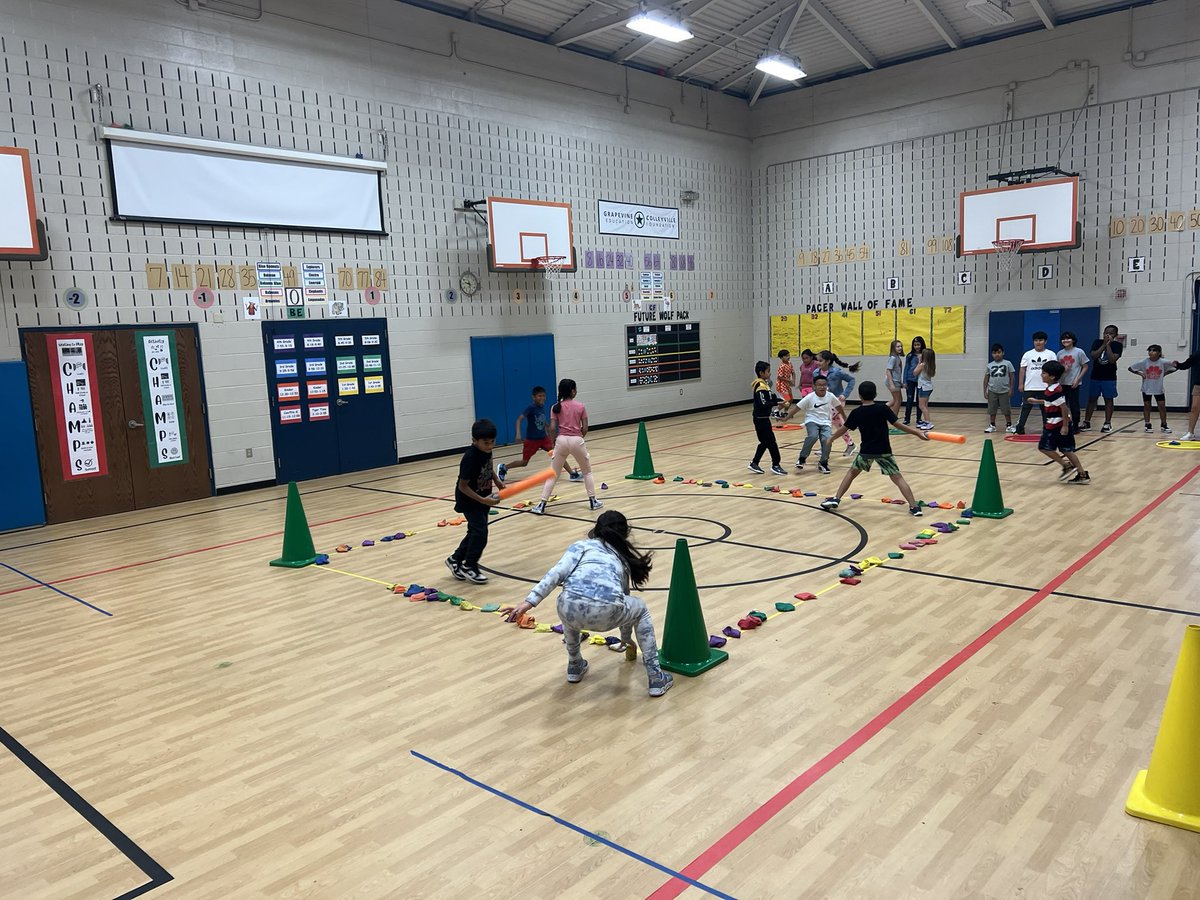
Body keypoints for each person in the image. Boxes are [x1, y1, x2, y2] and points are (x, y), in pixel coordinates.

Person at [504, 510, 673, 698]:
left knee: (569, 602)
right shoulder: (622, 559)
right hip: (607, 614)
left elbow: (556, 573)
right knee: (639, 607)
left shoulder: (580, 546)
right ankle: (656, 677)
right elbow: (623, 600)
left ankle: (575, 666)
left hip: (569, 611)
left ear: (596, 530)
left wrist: (528, 602)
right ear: (625, 534)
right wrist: (625, 637)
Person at [819, 380, 930, 517]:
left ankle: (836, 499)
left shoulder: (856, 412)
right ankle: (914, 507)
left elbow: (844, 428)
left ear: (860, 396)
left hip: (866, 452)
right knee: (897, 477)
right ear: (875, 394)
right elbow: (898, 425)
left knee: (851, 474)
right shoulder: (882, 409)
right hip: (884, 451)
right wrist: (917, 433)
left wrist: (831, 439)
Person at [529, 379, 602, 515]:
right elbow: (585, 428)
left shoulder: (555, 407)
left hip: (561, 441)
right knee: (587, 472)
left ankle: (541, 504)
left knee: (553, 474)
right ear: (573, 391)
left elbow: (551, 428)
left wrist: (553, 442)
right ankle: (593, 501)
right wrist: (580, 438)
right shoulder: (581, 406)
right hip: (577, 440)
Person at [445, 419, 501, 585]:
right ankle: (469, 565)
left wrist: (497, 481)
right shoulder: (470, 457)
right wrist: (482, 500)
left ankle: (455, 559)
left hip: (483, 497)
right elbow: (463, 486)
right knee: (481, 532)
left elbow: (488, 467)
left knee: (475, 531)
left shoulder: (486, 451)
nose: (490, 446)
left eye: (492, 442)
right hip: (469, 499)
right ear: (474, 441)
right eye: (486, 443)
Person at [498, 385, 580, 484]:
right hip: (532, 440)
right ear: (534, 397)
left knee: (557, 454)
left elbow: (543, 421)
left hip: (543, 439)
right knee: (524, 462)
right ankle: (504, 467)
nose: (542, 398)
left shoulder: (543, 407)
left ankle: (572, 473)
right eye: (539, 396)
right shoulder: (531, 408)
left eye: (543, 396)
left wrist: (549, 431)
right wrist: (518, 433)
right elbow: (519, 419)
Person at [1025, 360, 1090, 484]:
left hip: (1056, 425)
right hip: (1058, 424)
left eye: (1044, 373)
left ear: (1052, 376)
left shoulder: (1053, 390)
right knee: (1066, 450)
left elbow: (1064, 407)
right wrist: (1037, 401)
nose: (1041, 375)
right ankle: (1082, 474)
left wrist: (1065, 426)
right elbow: (1052, 402)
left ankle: (1066, 466)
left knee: (1044, 447)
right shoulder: (1052, 389)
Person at [818, 350, 859, 457]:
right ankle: (851, 444)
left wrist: (845, 394)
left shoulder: (836, 372)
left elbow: (851, 380)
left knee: (824, 419)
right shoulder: (816, 373)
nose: (818, 363)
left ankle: (825, 445)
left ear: (827, 361)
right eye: (817, 360)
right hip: (824, 401)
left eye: (820, 360)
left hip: (837, 401)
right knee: (838, 424)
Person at [1083, 324, 1123, 432]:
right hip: (1096, 376)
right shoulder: (1097, 342)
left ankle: (1107, 423)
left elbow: (1112, 360)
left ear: (1116, 335)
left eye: (1111, 333)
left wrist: (1108, 346)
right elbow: (1094, 356)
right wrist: (1103, 345)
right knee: (1092, 399)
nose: (1108, 335)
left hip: (1109, 377)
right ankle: (1086, 422)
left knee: (1108, 400)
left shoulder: (1117, 346)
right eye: (1106, 333)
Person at [749, 360, 786, 476]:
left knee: (764, 442)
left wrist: (781, 402)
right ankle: (776, 465)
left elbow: (771, 399)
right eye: (768, 371)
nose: (770, 374)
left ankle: (754, 463)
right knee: (771, 442)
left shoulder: (765, 385)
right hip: (760, 419)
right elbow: (762, 403)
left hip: (764, 418)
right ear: (761, 373)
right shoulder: (760, 386)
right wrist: (776, 404)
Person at [1015, 331, 1056, 435]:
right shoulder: (1028, 354)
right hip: (1029, 386)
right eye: (1036, 340)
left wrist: (1053, 384)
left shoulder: (1051, 354)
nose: (1038, 342)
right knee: (1025, 408)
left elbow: (1054, 370)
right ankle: (1020, 428)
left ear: (1045, 341)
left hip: (1045, 386)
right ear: (1033, 341)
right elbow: (1022, 369)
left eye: (1041, 340)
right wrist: (1021, 383)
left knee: (1046, 409)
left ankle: (1047, 428)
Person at [1129, 345, 1177, 433]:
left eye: (1154, 350)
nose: (1151, 352)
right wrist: (1140, 374)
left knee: (1162, 406)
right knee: (1147, 406)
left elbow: (1175, 367)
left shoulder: (1163, 362)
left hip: (1158, 388)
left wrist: (1165, 373)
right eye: (1149, 350)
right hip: (1147, 388)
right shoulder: (1144, 362)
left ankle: (1164, 424)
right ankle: (1147, 424)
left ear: (1159, 353)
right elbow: (1131, 368)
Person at [793, 374, 835, 474]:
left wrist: (846, 419)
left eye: (824, 385)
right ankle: (802, 458)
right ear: (814, 386)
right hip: (812, 420)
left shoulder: (830, 396)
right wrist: (786, 418)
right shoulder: (810, 397)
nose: (822, 387)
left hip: (825, 422)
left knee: (827, 440)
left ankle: (823, 463)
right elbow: (797, 407)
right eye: (819, 385)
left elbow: (839, 407)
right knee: (813, 436)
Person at [1057, 331, 1089, 426]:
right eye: (1063, 339)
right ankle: (1063, 423)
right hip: (1062, 383)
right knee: (1062, 404)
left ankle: (1075, 425)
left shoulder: (1079, 351)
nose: (1065, 340)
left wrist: (1078, 379)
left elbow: (1085, 366)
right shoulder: (1059, 353)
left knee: (1074, 405)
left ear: (1073, 340)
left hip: (1073, 383)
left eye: (1068, 338)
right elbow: (1058, 369)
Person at [983, 343, 1015, 433]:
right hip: (992, 390)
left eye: (999, 352)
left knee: (1006, 409)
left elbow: (1012, 377)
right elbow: (986, 379)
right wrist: (985, 391)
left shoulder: (1008, 363)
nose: (997, 354)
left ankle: (1009, 425)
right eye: (994, 353)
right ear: (992, 354)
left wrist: (1011, 389)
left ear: (1003, 353)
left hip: (1004, 391)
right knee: (992, 409)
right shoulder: (989, 365)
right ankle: (992, 425)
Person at [1171, 351, 1200, 440]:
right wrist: (1178, 365)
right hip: (1199, 384)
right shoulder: (1198, 354)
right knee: (1194, 408)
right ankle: (1190, 433)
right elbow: (1186, 364)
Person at [902, 336, 926, 425]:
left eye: (918, 344)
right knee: (909, 399)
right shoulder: (910, 355)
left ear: (922, 345)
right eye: (915, 345)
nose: (917, 347)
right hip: (910, 380)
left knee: (919, 400)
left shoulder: (925, 355)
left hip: (920, 381)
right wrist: (904, 381)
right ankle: (907, 418)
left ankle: (918, 419)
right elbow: (906, 368)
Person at [914, 348, 936, 430]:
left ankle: (928, 422)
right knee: (925, 405)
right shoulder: (930, 365)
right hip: (928, 387)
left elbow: (915, 372)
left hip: (923, 387)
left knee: (922, 406)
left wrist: (919, 362)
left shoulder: (922, 365)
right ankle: (927, 421)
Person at [774, 349, 796, 419]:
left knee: (791, 399)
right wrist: (789, 380)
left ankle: (785, 412)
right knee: (787, 400)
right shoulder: (782, 366)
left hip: (787, 385)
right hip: (781, 385)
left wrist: (793, 380)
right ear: (781, 358)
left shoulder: (789, 363)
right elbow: (780, 377)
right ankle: (776, 411)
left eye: (788, 355)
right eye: (786, 356)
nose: (788, 357)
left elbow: (793, 372)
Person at [884, 339, 905, 415]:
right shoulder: (893, 358)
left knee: (897, 400)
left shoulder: (897, 358)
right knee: (898, 400)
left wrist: (900, 382)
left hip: (896, 381)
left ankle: (881, 409)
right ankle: (894, 418)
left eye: (901, 346)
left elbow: (898, 372)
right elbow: (888, 371)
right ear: (893, 348)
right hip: (893, 381)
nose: (900, 348)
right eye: (898, 346)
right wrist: (891, 383)